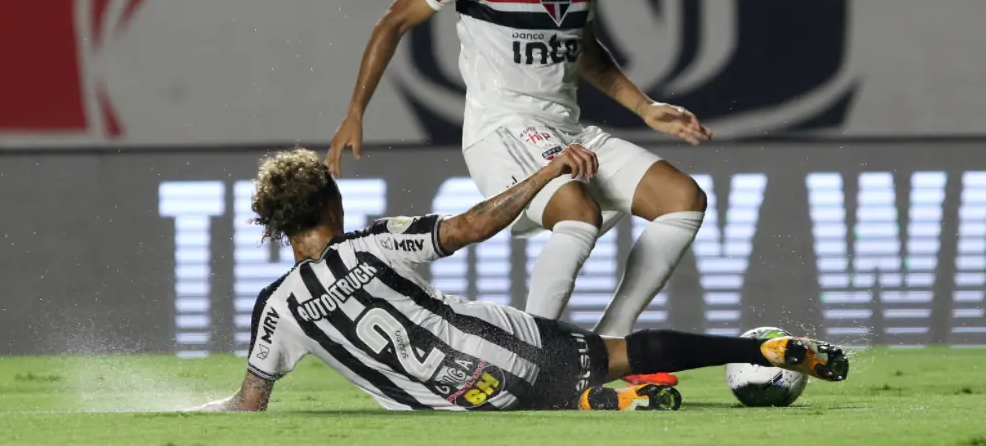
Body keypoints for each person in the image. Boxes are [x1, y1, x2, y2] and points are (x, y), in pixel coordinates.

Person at [326, 0, 712, 387]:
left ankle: (606, 351)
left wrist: (644, 107)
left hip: (568, 128)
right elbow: (392, 22)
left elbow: (582, 45)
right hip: (499, 130)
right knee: (578, 211)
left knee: (683, 201)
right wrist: (355, 112)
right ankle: (533, 364)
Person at [189, 146, 849, 413]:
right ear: (331, 203)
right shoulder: (373, 242)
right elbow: (473, 225)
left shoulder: (277, 308)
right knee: (620, 354)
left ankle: (603, 405)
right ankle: (747, 351)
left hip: (453, 408)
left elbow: (250, 404)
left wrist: (195, 411)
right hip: (507, 346)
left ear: (277, 226)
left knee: (533, 398)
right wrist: (545, 173)